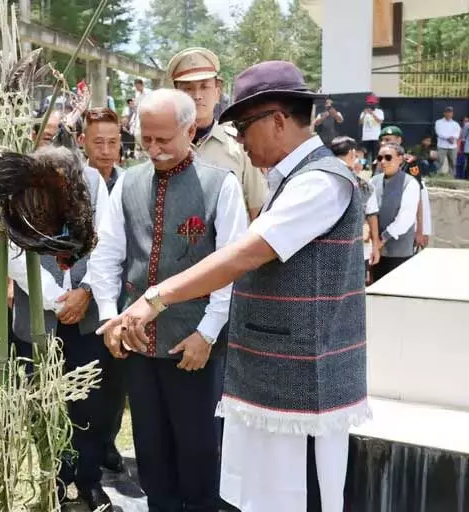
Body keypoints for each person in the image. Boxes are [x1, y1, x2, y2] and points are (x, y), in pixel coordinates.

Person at [98, 62, 368, 512]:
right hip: (276, 380)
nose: (238, 140)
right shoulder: (292, 181)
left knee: (297, 494)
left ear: (279, 120)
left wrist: (156, 298)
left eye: (243, 126)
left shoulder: (320, 183)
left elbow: (242, 255)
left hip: (303, 385)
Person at [88, 88, 248, 510]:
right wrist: (111, 317)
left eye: (164, 140)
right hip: (139, 344)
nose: (154, 150)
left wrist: (208, 333)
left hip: (195, 346)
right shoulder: (128, 184)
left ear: (190, 130)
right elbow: (106, 255)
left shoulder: (221, 186)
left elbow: (232, 267)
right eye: (146, 141)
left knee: (198, 453)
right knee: (151, 450)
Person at [9, 114, 114, 509]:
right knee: (43, 402)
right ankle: (53, 482)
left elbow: (106, 241)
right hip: (39, 317)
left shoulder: (92, 182)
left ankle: (87, 480)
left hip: (85, 317)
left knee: (88, 403)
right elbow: (17, 255)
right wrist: (56, 299)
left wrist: (85, 292)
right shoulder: (21, 185)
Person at [78, 107, 127, 473]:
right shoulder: (73, 182)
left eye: (113, 142)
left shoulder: (130, 182)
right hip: (84, 302)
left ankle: (110, 442)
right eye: (99, 142)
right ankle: (87, 455)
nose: (106, 150)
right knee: (90, 384)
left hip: (127, 302)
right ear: (83, 142)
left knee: (118, 382)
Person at [167, 47, 267, 220]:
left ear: (217, 93)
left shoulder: (240, 145)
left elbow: (256, 210)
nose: (197, 96)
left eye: (204, 87)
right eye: (188, 89)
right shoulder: (163, 145)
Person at [331, 136, 380, 283]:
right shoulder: (364, 186)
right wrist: (375, 246)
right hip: (355, 249)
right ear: (353, 154)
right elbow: (372, 215)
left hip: (327, 250)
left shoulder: (319, 177)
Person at [369, 143, 421, 283]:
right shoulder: (373, 181)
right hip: (375, 251)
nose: (383, 162)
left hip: (398, 253)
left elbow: (406, 219)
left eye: (388, 157)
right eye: (380, 158)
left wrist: (382, 239)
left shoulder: (410, 183)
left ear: (400, 158)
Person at [435, 106, 461, 177]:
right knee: (439, 162)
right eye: (447, 112)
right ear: (444, 113)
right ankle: (437, 177)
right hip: (442, 146)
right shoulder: (438, 122)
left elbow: (458, 133)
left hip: (452, 146)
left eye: (450, 112)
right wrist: (448, 138)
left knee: (453, 163)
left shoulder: (456, 124)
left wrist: (453, 137)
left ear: (452, 114)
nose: (449, 114)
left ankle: (451, 177)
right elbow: (438, 132)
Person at [359, 95, 384, 169]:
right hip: (366, 137)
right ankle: (363, 167)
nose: (371, 104)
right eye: (370, 103)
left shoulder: (379, 111)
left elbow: (380, 121)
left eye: (373, 103)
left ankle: (374, 168)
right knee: (364, 154)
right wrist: (364, 114)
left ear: (376, 104)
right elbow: (360, 122)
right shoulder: (364, 112)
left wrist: (372, 113)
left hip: (375, 137)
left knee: (375, 154)